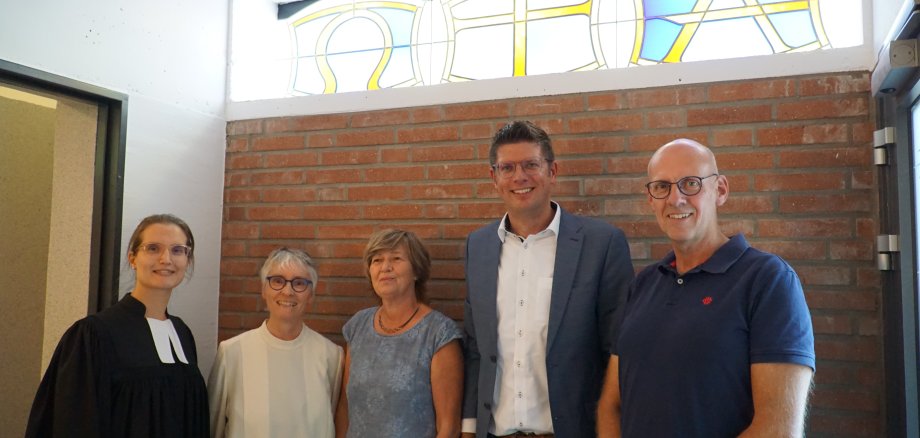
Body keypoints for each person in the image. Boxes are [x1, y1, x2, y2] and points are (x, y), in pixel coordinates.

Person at [597, 139, 816, 437]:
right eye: (662, 186)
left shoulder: (768, 281)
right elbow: (611, 405)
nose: (676, 199)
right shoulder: (643, 285)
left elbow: (778, 429)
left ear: (721, 190)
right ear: (651, 199)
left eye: (690, 183)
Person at [462, 121, 634, 438]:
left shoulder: (602, 244)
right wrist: (469, 429)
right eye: (507, 168)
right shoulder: (478, 246)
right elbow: (476, 348)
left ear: (552, 171)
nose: (520, 177)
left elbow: (619, 351)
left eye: (531, 165)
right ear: (494, 178)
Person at [25, 213, 208, 437]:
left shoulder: (182, 333)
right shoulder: (95, 334)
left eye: (178, 250)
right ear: (132, 258)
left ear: (187, 260)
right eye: (153, 248)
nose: (166, 259)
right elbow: (73, 423)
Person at [335, 229, 463, 438]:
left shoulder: (439, 334)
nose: (385, 267)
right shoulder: (357, 326)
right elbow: (344, 407)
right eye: (377, 260)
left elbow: (448, 427)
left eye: (396, 258)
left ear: (416, 271)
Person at [208, 247, 343, 437]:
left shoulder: (331, 355)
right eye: (277, 281)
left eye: (299, 283)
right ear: (263, 289)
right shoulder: (232, 353)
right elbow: (213, 426)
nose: (287, 291)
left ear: (311, 295)